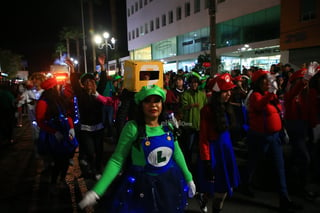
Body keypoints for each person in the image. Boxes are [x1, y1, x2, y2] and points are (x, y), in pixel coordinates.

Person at [79, 85, 196, 212]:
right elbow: (117, 160)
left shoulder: (168, 126)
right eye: (147, 101)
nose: (153, 105)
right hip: (141, 188)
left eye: (156, 100)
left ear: (162, 104)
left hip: (168, 184)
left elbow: (177, 153)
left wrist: (189, 178)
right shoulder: (132, 128)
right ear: (141, 105)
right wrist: (97, 191)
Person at [241, 69, 302, 212]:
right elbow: (259, 104)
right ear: (257, 83)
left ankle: (284, 199)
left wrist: (302, 83)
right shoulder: (255, 96)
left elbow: (289, 97)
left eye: (267, 80)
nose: (266, 83)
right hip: (260, 137)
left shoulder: (271, 96)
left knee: (279, 167)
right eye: (263, 80)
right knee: (253, 162)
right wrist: (271, 93)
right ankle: (245, 183)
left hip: (274, 137)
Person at [197, 73, 240, 213]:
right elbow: (203, 138)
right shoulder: (207, 111)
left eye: (229, 90)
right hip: (214, 155)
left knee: (222, 191)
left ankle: (208, 200)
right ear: (217, 93)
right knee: (217, 190)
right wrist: (207, 161)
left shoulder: (228, 108)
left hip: (226, 154)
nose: (229, 94)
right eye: (225, 91)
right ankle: (204, 197)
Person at [66, 56, 113, 180]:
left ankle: (97, 170)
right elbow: (74, 83)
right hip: (86, 130)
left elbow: (103, 81)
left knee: (99, 152)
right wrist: (71, 68)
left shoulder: (98, 95)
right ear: (83, 85)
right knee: (90, 152)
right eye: (86, 82)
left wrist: (102, 66)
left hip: (99, 128)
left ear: (94, 83)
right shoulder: (80, 95)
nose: (89, 84)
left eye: (91, 82)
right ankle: (91, 167)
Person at [35, 77, 78, 191]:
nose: (60, 87)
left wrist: (71, 127)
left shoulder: (59, 99)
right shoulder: (43, 102)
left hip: (63, 132)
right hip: (52, 136)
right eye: (57, 86)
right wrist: (54, 132)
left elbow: (67, 115)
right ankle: (55, 182)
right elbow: (40, 121)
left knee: (67, 156)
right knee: (58, 160)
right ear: (53, 88)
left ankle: (61, 179)